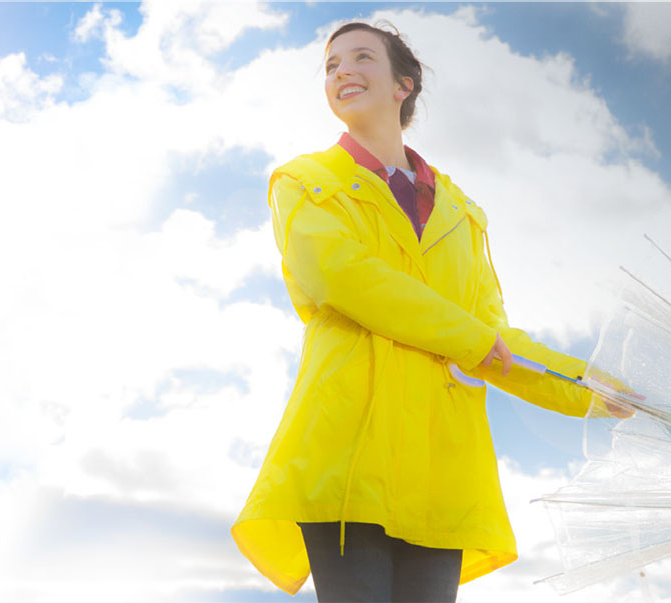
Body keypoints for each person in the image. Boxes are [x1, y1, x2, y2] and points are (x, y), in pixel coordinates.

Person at [230, 21, 632, 602]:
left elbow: (494, 338)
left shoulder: (462, 213)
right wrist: (469, 339)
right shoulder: (304, 182)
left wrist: (596, 389)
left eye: (361, 58)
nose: (342, 71)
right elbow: (346, 278)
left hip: (443, 474)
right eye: (331, 65)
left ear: (403, 84)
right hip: (348, 460)